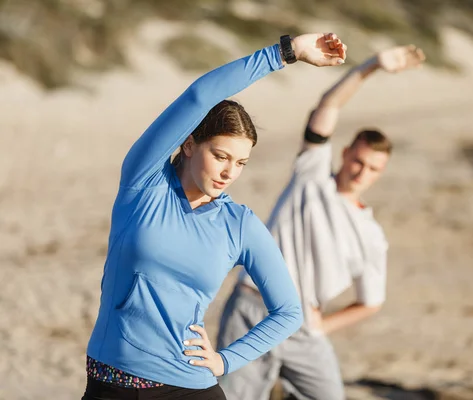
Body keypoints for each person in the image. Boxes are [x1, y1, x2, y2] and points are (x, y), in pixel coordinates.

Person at [82, 33, 348, 400]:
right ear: (189, 144)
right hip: (112, 385)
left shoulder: (238, 224)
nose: (229, 172)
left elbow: (288, 311)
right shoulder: (144, 185)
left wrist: (226, 360)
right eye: (220, 156)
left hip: (190, 386)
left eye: (240, 163)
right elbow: (199, 97)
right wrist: (286, 53)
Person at [217, 45, 426, 400]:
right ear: (345, 154)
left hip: (303, 327)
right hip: (252, 311)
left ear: (382, 173)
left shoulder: (371, 235)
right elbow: (328, 106)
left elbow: (371, 301)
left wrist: (323, 325)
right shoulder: (311, 176)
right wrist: (372, 65)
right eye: (358, 161)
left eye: (373, 168)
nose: (362, 172)